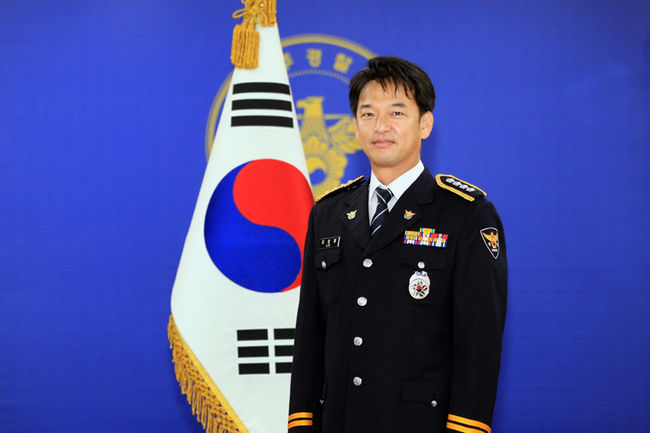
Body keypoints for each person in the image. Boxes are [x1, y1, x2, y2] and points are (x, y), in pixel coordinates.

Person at [288, 56, 507, 433]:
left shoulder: (466, 215)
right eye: (368, 114)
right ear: (355, 126)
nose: (381, 126)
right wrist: (302, 422)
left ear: (425, 124)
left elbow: (478, 343)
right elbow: (310, 334)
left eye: (397, 112)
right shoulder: (327, 213)